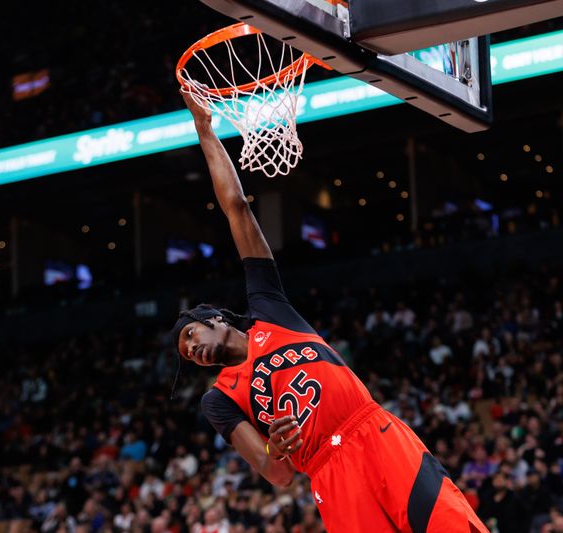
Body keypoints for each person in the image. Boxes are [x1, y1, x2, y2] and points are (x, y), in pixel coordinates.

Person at [171, 89, 488, 533]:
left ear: (214, 319)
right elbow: (277, 474)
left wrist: (205, 131)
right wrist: (276, 449)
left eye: (189, 337)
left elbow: (237, 209)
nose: (191, 350)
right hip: (329, 475)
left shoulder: (269, 310)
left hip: (376, 435)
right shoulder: (219, 398)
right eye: (187, 355)